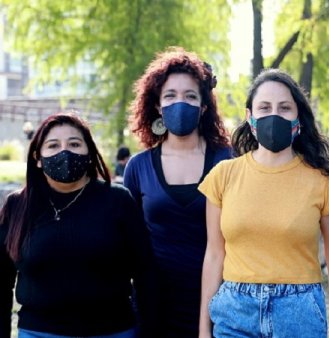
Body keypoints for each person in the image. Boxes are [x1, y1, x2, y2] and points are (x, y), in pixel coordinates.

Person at [198, 69, 329, 338]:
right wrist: (203, 328)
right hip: (235, 312)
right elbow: (214, 255)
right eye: (264, 107)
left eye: (284, 108)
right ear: (250, 117)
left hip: (300, 312)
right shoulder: (223, 176)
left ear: (298, 117)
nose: (274, 115)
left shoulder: (323, 182)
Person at [0, 112, 158, 338]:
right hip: (38, 332)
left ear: (90, 153)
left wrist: (150, 331)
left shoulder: (118, 201)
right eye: (53, 145)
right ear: (37, 157)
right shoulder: (17, 206)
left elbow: (145, 274)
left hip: (113, 331)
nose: (65, 152)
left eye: (75, 144)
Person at [124, 47, 231, 337]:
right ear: (157, 105)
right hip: (154, 303)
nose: (179, 103)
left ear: (204, 106)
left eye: (190, 96)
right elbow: (129, 243)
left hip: (220, 300)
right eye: (170, 96)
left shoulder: (228, 161)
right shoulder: (138, 167)